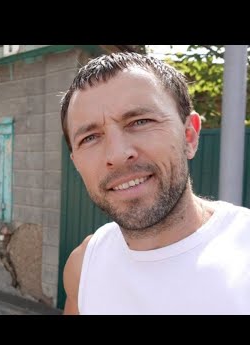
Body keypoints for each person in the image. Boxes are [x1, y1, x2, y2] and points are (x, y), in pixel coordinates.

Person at [60, 51, 250, 315]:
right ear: (76, 162)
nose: (117, 154)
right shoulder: (83, 266)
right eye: (90, 138)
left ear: (189, 136)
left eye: (140, 121)